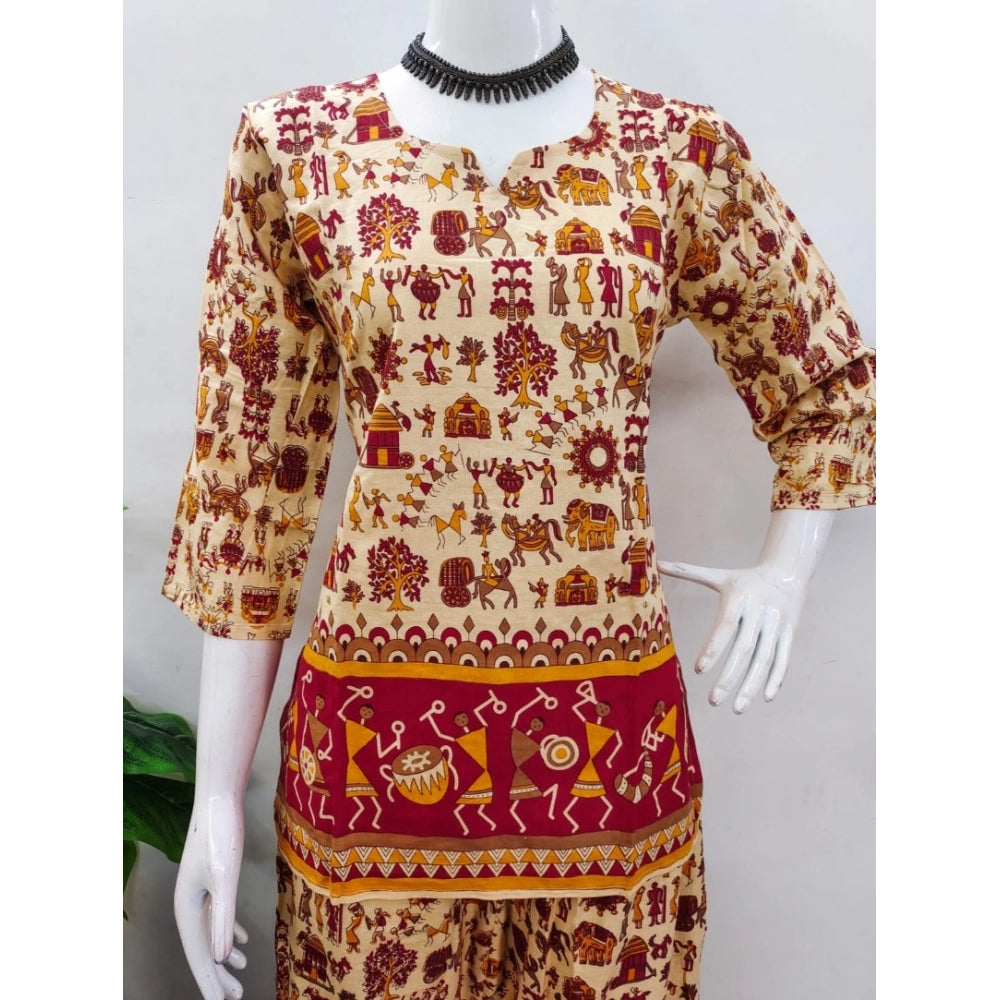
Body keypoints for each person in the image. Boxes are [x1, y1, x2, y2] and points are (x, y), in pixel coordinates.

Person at [165, 3, 874, 998]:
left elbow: (829, 384)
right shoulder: (297, 151)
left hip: (607, 774)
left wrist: (785, 572)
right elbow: (251, 484)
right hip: (373, 778)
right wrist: (212, 797)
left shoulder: (676, 153)